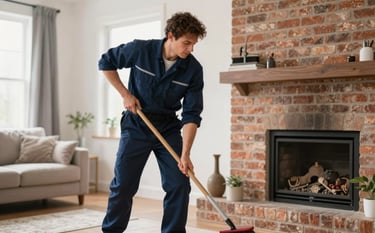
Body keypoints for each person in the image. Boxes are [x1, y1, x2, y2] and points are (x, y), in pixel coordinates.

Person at [98, 12, 207, 233]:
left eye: (194, 44)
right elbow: (106, 62)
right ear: (171, 36)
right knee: (124, 184)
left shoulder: (193, 70)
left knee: (179, 183)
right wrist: (125, 94)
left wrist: (185, 154)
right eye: (186, 43)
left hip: (168, 128)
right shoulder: (141, 50)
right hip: (137, 124)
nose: (191, 49)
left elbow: (191, 115)